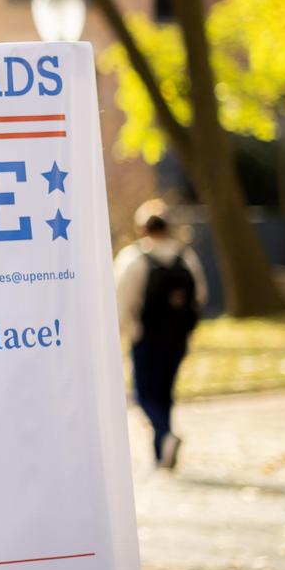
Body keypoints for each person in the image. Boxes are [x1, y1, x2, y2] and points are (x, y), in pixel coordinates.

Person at [113, 200, 206, 470]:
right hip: (177, 338)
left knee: (144, 394)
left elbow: (123, 301)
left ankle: (164, 436)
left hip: (147, 338)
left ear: (142, 228)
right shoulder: (185, 257)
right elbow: (200, 294)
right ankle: (161, 452)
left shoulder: (133, 259)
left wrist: (130, 332)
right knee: (164, 392)